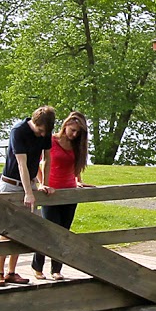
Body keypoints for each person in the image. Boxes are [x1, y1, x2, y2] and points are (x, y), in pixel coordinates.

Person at [0, 105, 55, 286]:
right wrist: (28, 193)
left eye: (46, 132)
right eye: (40, 131)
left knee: (22, 229)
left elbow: (46, 159)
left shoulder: (46, 133)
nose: (42, 135)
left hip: (29, 183)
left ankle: (12, 272)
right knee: (7, 229)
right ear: (34, 123)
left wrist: (44, 183)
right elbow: (22, 164)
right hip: (11, 184)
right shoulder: (18, 131)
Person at [31, 110, 90, 279]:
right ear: (65, 126)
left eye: (78, 132)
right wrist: (42, 183)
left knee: (64, 232)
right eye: (73, 130)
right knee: (49, 231)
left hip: (70, 192)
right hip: (51, 192)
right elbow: (39, 163)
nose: (75, 134)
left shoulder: (78, 145)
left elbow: (77, 165)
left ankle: (56, 269)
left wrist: (78, 180)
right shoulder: (51, 141)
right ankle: (37, 266)